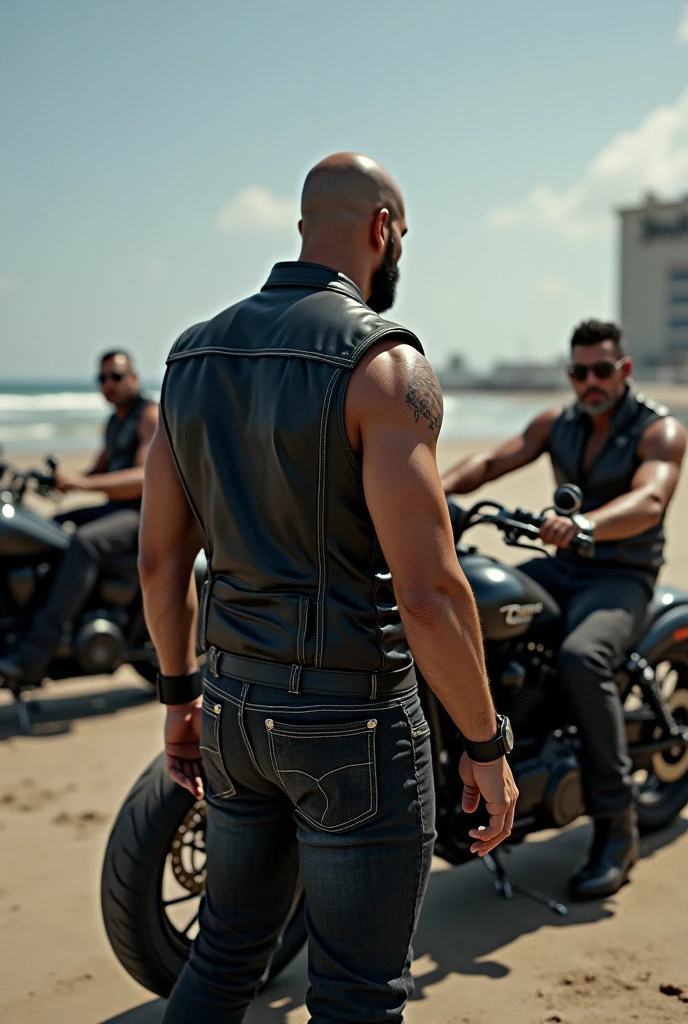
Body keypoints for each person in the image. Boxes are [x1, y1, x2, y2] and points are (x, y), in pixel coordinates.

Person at [138, 152, 518, 1023]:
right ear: (382, 229)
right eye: (403, 236)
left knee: (228, 952)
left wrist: (179, 700)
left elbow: (160, 563)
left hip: (233, 704)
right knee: (356, 991)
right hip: (353, 720)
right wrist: (486, 747)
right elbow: (430, 594)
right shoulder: (386, 364)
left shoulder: (190, 357)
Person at [442, 318, 686, 899]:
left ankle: (615, 831)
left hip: (620, 575)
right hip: (563, 568)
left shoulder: (659, 430)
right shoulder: (559, 423)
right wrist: (432, 492)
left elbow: (650, 498)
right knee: (474, 614)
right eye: (579, 371)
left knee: (582, 656)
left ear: (623, 370)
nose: (590, 381)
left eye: (602, 370)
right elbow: (492, 462)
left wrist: (585, 523)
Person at [0, 349, 158, 685]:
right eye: (102, 379)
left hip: (142, 513)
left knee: (84, 544)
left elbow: (142, 478)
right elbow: (97, 470)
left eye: (116, 377)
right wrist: (60, 480)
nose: (108, 385)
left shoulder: (148, 416)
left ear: (133, 378)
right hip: (116, 508)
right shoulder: (115, 422)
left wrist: (82, 482)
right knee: (54, 528)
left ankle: (34, 654)